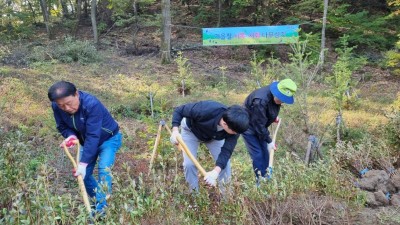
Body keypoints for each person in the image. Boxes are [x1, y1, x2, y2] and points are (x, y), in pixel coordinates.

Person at [48, 81, 122, 216]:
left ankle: (101, 212)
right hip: (86, 142)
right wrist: (71, 136)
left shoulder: (91, 104)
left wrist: (83, 162)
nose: (66, 108)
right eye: (61, 105)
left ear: (76, 94)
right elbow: (62, 126)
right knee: (84, 175)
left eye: (69, 103)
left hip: (109, 139)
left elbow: (94, 135)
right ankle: (99, 201)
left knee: (104, 170)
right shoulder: (57, 106)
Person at [170, 100, 249, 192]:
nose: (236, 134)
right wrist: (175, 131)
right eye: (234, 132)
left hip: (213, 137)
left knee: (225, 165)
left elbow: (226, 151)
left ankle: (226, 197)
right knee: (189, 164)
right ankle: (194, 196)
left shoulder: (235, 128)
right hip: (191, 131)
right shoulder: (205, 109)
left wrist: (215, 172)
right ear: (225, 124)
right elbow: (180, 110)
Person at [242, 78, 297, 184]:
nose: (281, 102)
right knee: (258, 154)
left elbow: (267, 112)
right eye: (281, 98)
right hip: (248, 126)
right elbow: (258, 123)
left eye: (284, 100)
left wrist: (272, 118)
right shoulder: (260, 100)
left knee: (266, 153)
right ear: (276, 92)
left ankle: (266, 178)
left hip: (260, 126)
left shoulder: (275, 98)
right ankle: (260, 181)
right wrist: (269, 140)